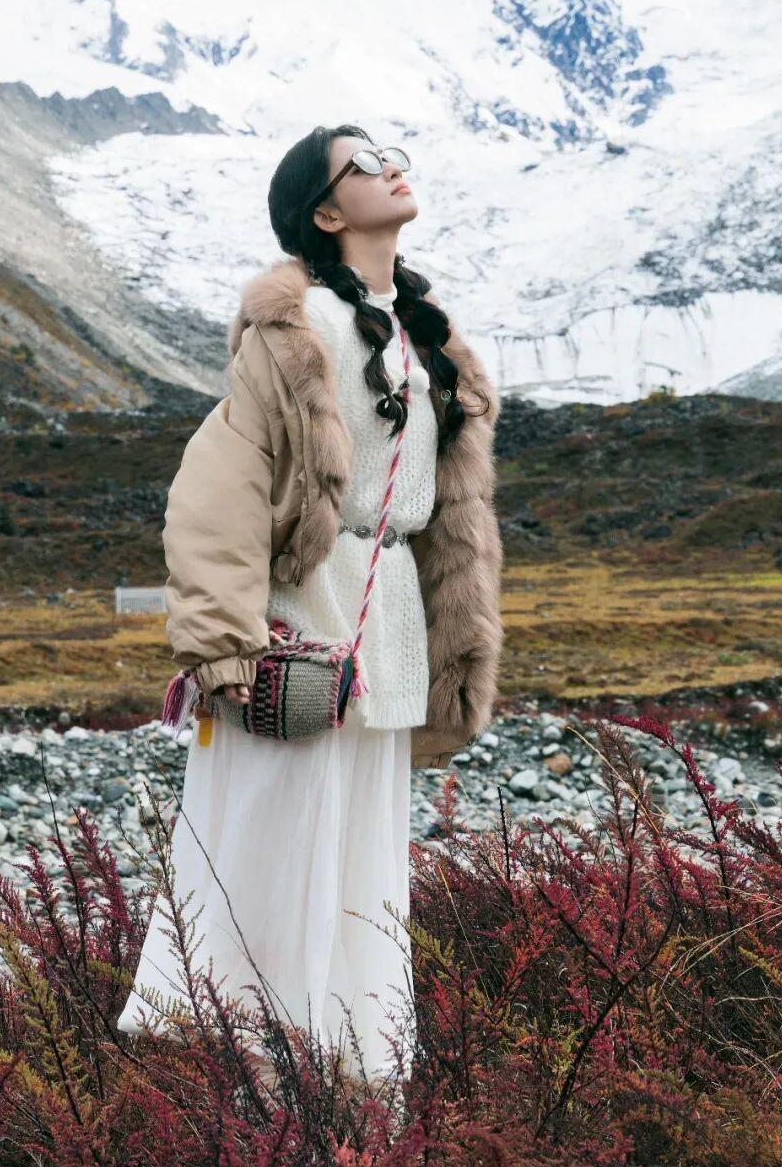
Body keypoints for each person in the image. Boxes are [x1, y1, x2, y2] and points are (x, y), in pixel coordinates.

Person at [116, 124, 504, 1087]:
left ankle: (354, 1075)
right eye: (362, 162)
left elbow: (450, 514)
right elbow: (221, 489)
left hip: (391, 620)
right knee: (268, 851)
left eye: (390, 151)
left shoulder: (425, 336)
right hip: (295, 626)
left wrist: (459, 648)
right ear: (326, 213)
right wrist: (223, 646)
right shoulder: (294, 335)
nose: (390, 165)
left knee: (363, 861)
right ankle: (238, 1075)